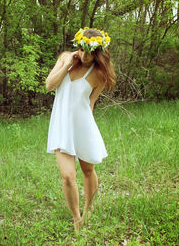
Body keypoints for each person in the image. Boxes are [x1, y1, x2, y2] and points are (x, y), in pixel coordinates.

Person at [45, 27, 116, 232]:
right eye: (81, 49)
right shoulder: (65, 58)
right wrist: (67, 64)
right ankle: (77, 218)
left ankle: (89, 208)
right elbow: (50, 85)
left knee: (88, 170)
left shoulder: (99, 75)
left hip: (83, 125)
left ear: (98, 53)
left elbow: (90, 104)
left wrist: (88, 131)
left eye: (90, 52)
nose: (84, 55)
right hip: (61, 126)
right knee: (68, 176)